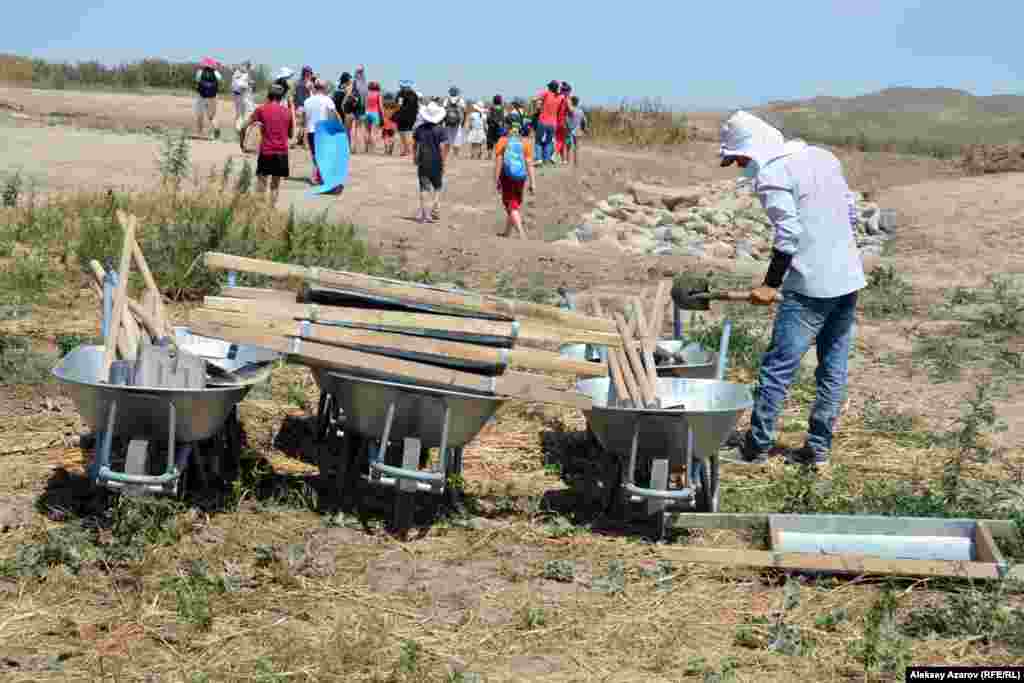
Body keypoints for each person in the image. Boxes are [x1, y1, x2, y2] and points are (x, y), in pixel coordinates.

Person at [717, 110, 866, 468]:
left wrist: (770, 285)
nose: (740, 167)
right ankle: (818, 451)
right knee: (833, 367)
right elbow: (850, 212)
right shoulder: (823, 157)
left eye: (739, 159)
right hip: (848, 278)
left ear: (752, 151)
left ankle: (756, 448)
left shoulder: (772, 174)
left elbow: (789, 235)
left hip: (809, 286)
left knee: (777, 369)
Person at [244, 83, 293, 206]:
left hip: (266, 151)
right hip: (282, 152)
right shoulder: (287, 112)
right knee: (275, 185)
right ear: (281, 97)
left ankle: (259, 209)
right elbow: (291, 134)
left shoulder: (261, 109)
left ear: (268, 95)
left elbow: (245, 125)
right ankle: (271, 209)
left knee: (261, 182)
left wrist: (242, 142)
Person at [493, 123, 536, 239]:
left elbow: (499, 162)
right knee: (514, 203)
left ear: (508, 128)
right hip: (521, 177)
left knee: (511, 205)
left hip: (507, 176)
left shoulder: (503, 141)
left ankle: (522, 234)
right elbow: (529, 163)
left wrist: (496, 180)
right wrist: (533, 183)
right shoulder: (525, 142)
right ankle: (507, 232)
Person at [412, 101, 449, 223]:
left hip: (423, 161)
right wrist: (443, 163)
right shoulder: (441, 130)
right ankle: (436, 206)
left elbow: (415, 145)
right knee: (438, 186)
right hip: (436, 161)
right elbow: (442, 148)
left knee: (423, 188)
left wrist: (415, 158)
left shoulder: (419, 129)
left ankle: (424, 215)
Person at [302, 79, 338, 185]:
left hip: (311, 131)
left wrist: (304, 135)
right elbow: (331, 117)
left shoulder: (307, 101)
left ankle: (315, 176)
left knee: (315, 155)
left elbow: (305, 120)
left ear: (315, 87)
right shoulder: (328, 100)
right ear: (324, 88)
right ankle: (321, 177)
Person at [534, 80, 563, 165]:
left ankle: (539, 159)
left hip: (543, 121)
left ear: (550, 87)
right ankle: (546, 160)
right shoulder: (560, 97)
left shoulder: (546, 93)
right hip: (553, 123)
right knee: (549, 142)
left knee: (538, 141)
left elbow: (534, 99)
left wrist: (538, 106)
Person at [194, 60, 223, 140]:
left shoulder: (200, 72)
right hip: (212, 97)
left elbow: (197, 80)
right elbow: (220, 79)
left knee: (200, 114)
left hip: (201, 96)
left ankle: (199, 132)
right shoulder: (215, 72)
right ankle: (216, 128)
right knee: (211, 116)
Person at [231, 61, 254, 150]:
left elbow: (234, 86)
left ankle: (239, 131)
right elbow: (244, 85)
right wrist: (249, 84)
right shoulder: (245, 75)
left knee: (239, 116)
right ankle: (243, 136)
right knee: (247, 117)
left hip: (237, 99)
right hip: (246, 99)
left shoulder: (236, 74)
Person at [442, 86, 467, 161]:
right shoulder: (461, 100)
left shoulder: (446, 100)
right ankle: (455, 155)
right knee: (457, 139)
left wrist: (444, 120)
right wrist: (463, 122)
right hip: (457, 122)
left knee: (447, 139)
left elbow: (443, 110)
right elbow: (464, 111)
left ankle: (445, 155)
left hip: (448, 122)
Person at [394, 81, 419, 156]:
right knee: (409, 133)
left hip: (402, 116)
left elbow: (399, 105)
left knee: (403, 133)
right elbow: (416, 106)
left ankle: (406, 150)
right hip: (412, 117)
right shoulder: (414, 94)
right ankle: (409, 150)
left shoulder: (400, 94)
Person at [293, 66, 314, 148]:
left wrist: (294, 106)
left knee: (298, 125)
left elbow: (295, 95)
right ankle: (305, 143)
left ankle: (295, 141)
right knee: (305, 125)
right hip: (305, 106)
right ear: (307, 73)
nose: (310, 74)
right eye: (310, 72)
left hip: (298, 106)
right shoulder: (309, 83)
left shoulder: (297, 82)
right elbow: (312, 95)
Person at [362, 81, 384, 153]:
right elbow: (380, 106)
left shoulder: (366, 94)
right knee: (373, 132)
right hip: (375, 113)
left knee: (367, 131)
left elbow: (364, 105)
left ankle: (366, 148)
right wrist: (383, 115)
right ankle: (372, 149)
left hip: (367, 113)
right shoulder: (378, 94)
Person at [564, 95, 586, 167]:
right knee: (577, 148)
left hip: (569, 130)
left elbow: (566, 120)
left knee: (568, 147)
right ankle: (576, 163)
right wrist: (584, 129)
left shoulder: (570, 110)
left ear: (572, 102)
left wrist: (567, 127)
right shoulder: (581, 111)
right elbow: (584, 121)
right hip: (578, 130)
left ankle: (568, 161)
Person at [555, 81, 572, 163]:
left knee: (559, 140)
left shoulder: (557, 97)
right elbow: (571, 111)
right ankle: (559, 157)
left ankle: (563, 159)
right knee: (564, 141)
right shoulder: (566, 99)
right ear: (567, 91)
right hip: (564, 122)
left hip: (556, 121)